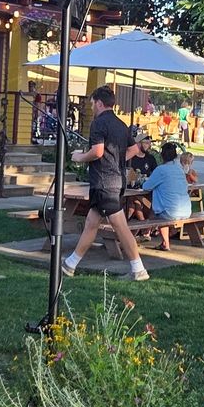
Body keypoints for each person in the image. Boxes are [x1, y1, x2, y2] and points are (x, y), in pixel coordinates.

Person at [62, 86, 149, 281]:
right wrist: (116, 161)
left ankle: (139, 269)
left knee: (120, 226)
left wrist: (79, 157)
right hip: (116, 181)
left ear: (100, 103)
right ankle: (70, 264)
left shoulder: (98, 123)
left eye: (92, 103)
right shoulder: (120, 124)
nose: (91, 107)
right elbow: (134, 149)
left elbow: (98, 152)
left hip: (104, 183)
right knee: (91, 223)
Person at [139, 142, 192, 250]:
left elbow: (146, 187)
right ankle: (152, 236)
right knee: (158, 209)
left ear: (161, 156)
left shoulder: (161, 170)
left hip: (170, 211)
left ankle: (146, 234)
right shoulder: (179, 169)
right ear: (175, 156)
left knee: (158, 212)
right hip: (186, 210)